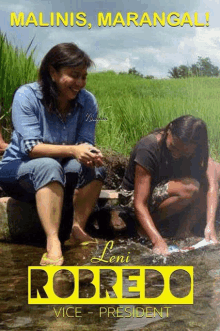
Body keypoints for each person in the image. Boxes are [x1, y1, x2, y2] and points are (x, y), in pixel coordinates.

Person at [0, 43, 106, 265]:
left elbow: (86, 142)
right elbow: (32, 148)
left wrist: (91, 153)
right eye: (74, 75)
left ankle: (77, 229)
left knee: (95, 167)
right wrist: (73, 150)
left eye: (84, 77)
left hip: (60, 169)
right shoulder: (26, 96)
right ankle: (53, 240)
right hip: (18, 169)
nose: (80, 83)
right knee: (48, 165)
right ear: (53, 72)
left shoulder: (88, 101)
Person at [119, 115, 219, 255]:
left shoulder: (198, 149)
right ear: (169, 131)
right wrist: (157, 241)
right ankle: (144, 229)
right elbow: (139, 203)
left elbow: (212, 185)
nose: (177, 154)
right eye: (174, 147)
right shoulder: (148, 147)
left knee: (214, 172)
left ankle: (183, 231)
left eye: (184, 152)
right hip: (133, 197)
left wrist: (210, 225)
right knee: (190, 188)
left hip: (165, 189)